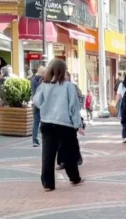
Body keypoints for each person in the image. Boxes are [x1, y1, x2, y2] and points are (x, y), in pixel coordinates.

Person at [32, 59, 85, 191]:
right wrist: (78, 124)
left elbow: (36, 101)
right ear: (63, 70)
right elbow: (74, 106)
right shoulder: (68, 86)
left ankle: (48, 184)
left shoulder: (43, 85)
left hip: (47, 123)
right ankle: (74, 178)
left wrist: (46, 107)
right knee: (69, 153)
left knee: (48, 155)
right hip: (64, 124)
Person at [30, 66, 46, 147]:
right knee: (44, 121)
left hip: (35, 103)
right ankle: (44, 139)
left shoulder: (32, 80)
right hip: (43, 103)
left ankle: (35, 140)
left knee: (36, 122)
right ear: (43, 73)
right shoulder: (43, 81)